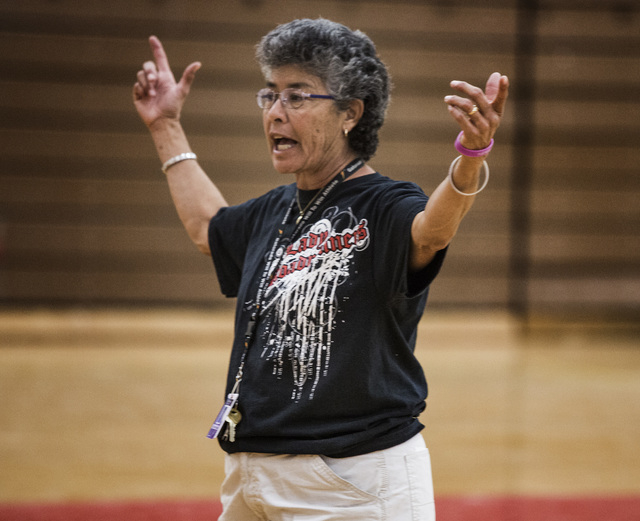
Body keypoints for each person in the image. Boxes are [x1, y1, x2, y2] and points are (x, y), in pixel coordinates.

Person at [133, 18, 508, 521]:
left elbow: (431, 231)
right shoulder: (276, 209)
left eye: (297, 96)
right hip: (250, 473)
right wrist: (164, 125)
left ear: (351, 113)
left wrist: (470, 156)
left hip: (352, 482)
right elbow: (208, 229)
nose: (276, 113)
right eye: (270, 94)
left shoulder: (385, 204)